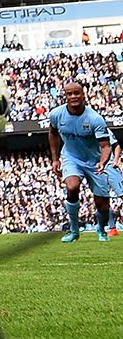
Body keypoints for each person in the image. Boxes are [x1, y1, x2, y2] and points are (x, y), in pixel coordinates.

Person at [48, 82, 112, 242]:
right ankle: (74, 230)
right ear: (65, 96)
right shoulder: (56, 114)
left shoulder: (95, 119)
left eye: (76, 93)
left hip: (95, 162)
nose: (73, 97)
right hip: (71, 158)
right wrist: (55, 158)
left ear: (83, 95)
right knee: (72, 187)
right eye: (69, 94)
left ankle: (101, 228)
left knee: (103, 206)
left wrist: (103, 163)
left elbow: (105, 146)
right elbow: (53, 133)